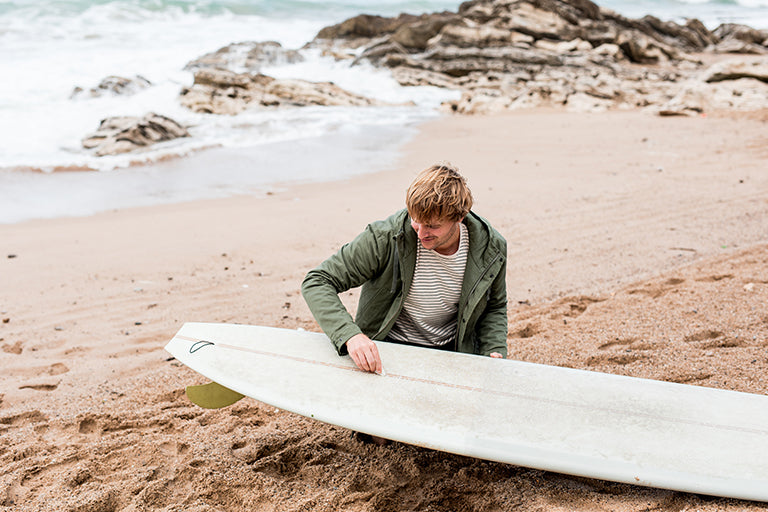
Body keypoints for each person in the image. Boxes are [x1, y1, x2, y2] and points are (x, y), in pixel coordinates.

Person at [301, 163, 507, 374]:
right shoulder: (384, 237)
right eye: (415, 221)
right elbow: (318, 281)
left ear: (459, 217)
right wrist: (351, 336)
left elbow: (495, 306)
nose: (421, 234)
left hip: (452, 352)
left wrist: (494, 349)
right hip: (388, 346)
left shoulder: (492, 248)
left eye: (433, 226)